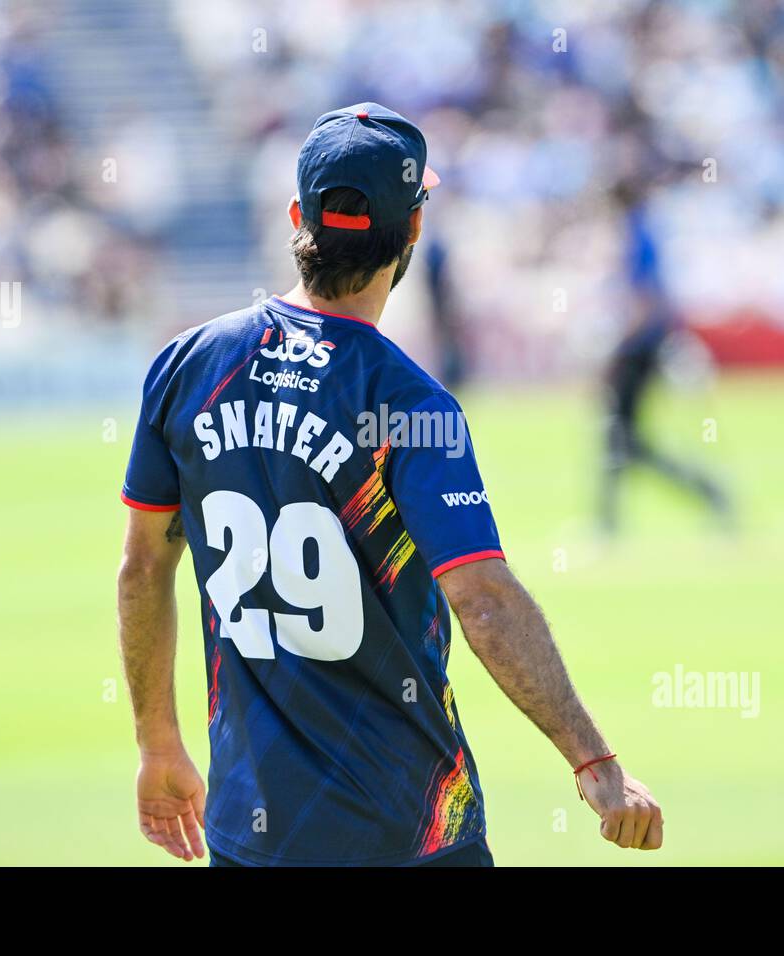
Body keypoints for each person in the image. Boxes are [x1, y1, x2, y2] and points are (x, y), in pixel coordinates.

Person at [115, 103, 662, 867]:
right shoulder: (410, 407)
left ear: (297, 216)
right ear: (411, 232)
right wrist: (593, 763)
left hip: (249, 834)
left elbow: (144, 566)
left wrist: (158, 744)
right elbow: (483, 599)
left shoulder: (187, 366)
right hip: (409, 832)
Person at [601, 180, 730, 533]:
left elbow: (647, 298)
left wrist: (620, 347)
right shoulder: (644, 230)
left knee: (619, 436)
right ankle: (709, 493)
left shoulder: (637, 234)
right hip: (648, 344)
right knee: (622, 439)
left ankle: (609, 523)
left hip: (641, 347)